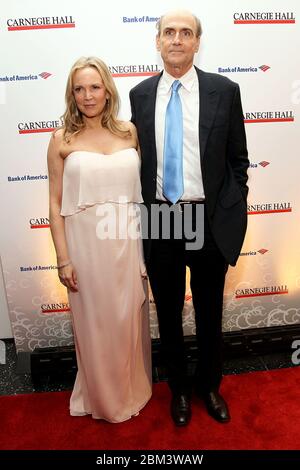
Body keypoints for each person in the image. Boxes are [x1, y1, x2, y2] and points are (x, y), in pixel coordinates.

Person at [130, 10, 249, 426]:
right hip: (163, 215)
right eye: (169, 33)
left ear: (197, 42)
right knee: (167, 311)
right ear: (157, 42)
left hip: (207, 215)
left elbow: (239, 160)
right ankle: (178, 389)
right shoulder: (140, 95)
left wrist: (234, 204)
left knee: (210, 310)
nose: (176, 40)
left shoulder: (225, 89)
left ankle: (209, 386)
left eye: (185, 33)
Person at [47, 56, 152, 423]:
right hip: (85, 246)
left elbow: (144, 196)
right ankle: (102, 398)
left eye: (94, 87)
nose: (87, 96)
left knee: (126, 319)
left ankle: (130, 389)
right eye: (79, 89)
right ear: (71, 94)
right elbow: (56, 202)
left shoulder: (130, 132)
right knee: (95, 323)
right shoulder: (62, 139)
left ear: (107, 90)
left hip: (126, 241)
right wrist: (63, 259)